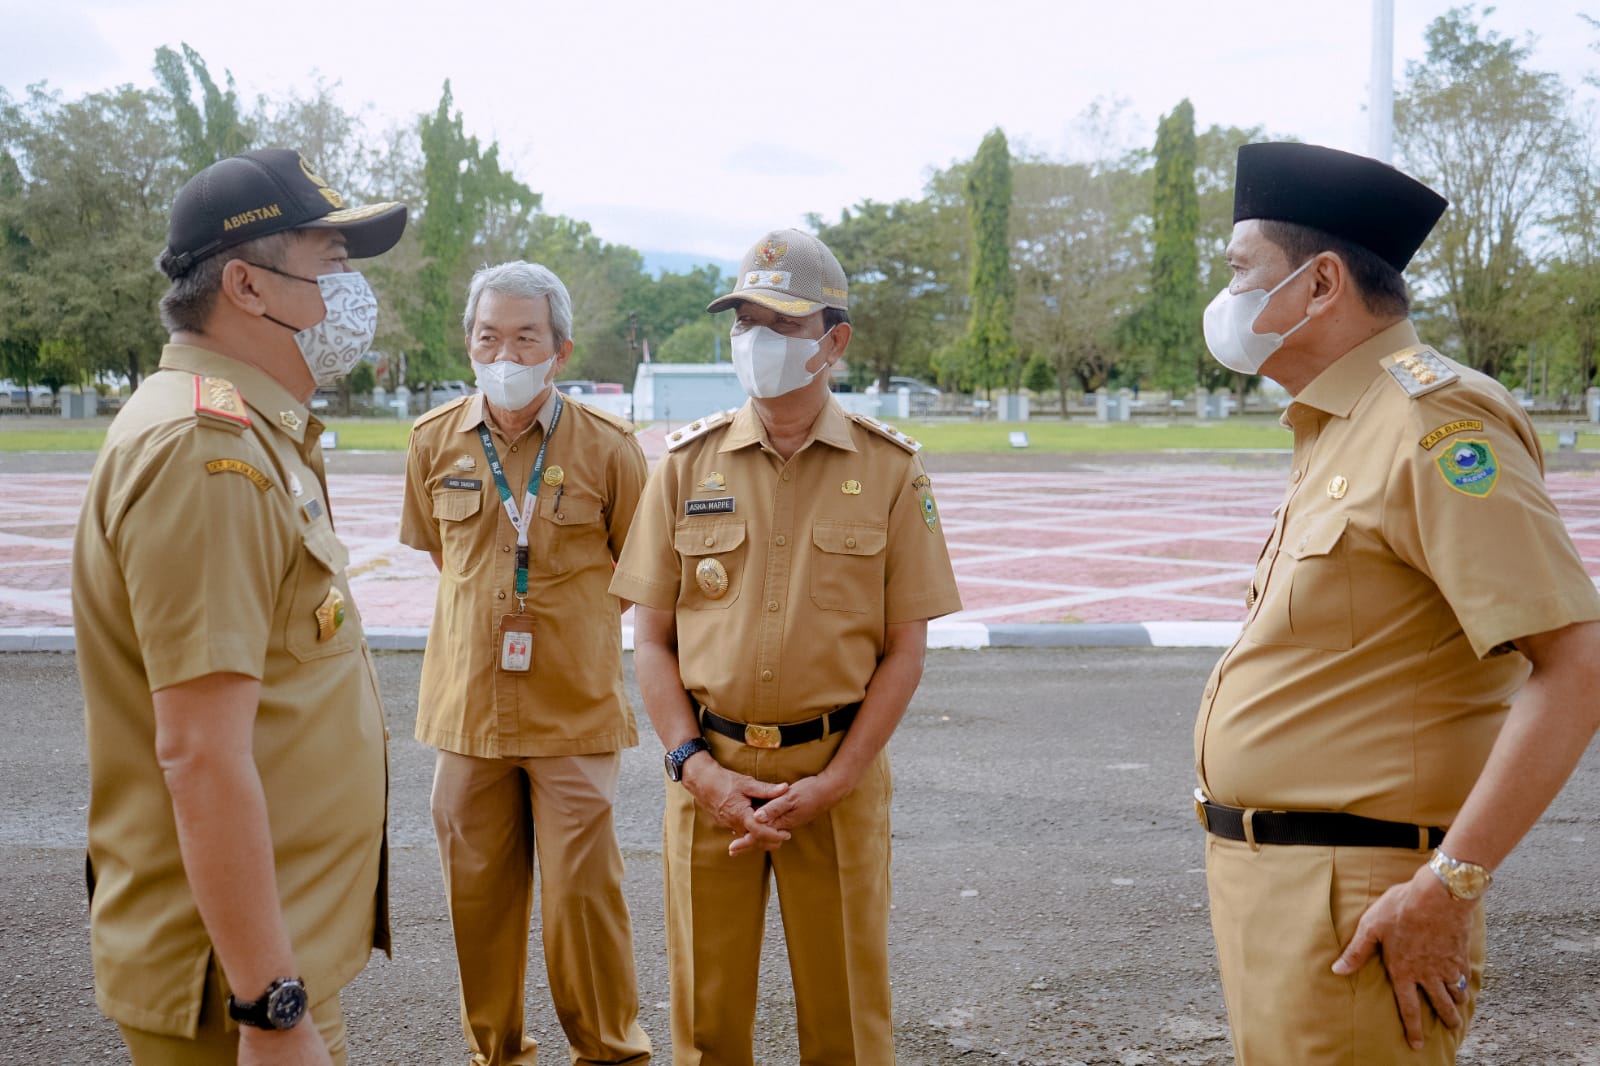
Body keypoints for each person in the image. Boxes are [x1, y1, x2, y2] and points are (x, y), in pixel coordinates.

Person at [1192, 141, 1600, 1065]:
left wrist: (1449, 887)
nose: (1225, 301)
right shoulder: (1342, 424)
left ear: (1320, 283)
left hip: (1363, 896)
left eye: (1240, 272)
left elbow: (1576, 664)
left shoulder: (1433, 424)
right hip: (1275, 883)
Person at [72, 148, 407, 1065]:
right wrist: (273, 1007)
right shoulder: (201, 450)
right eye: (330, 263)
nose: (351, 292)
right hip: (237, 988)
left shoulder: (251, 427)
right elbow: (200, 754)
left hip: (268, 955)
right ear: (249, 287)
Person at [610, 228, 963, 1064]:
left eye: (781, 323)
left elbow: (904, 651)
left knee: (845, 1023)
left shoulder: (889, 470)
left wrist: (837, 780)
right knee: (706, 1026)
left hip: (836, 780)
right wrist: (694, 767)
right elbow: (649, 640)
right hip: (708, 779)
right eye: (744, 322)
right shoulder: (685, 465)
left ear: (833, 341)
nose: (756, 342)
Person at [399, 261, 652, 1066]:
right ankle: (497, 1051)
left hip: (571, 708)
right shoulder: (432, 440)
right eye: (488, 336)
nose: (504, 353)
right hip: (467, 710)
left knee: (583, 898)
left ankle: (610, 1051)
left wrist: (565, 627)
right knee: (476, 898)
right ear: (468, 343)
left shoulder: (611, 448)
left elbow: (634, 575)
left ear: (560, 349)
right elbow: (452, 563)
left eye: (524, 337)